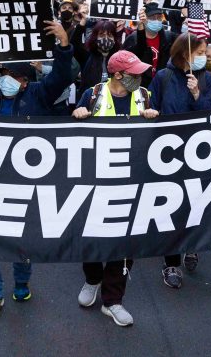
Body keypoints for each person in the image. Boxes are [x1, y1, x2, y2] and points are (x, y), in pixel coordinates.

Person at [0, 20, 73, 319]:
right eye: (4, 73)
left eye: (15, 76)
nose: (7, 79)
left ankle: (21, 281)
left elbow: (63, 76)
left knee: (22, 239)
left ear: (27, 82)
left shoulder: (40, 95)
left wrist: (64, 45)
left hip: (26, 181)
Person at [72, 50, 159, 327]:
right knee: (92, 235)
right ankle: (92, 279)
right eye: (135, 74)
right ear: (118, 75)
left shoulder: (144, 96)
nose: (141, 77)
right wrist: (77, 114)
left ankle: (113, 300)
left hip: (133, 181)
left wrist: (154, 119)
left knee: (124, 242)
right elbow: (70, 133)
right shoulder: (93, 94)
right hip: (95, 180)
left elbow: (161, 137)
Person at [149, 32, 211, 288]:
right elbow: (153, 107)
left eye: (204, 53)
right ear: (183, 54)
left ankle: (192, 244)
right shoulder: (163, 77)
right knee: (171, 208)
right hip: (168, 153)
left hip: (198, 153)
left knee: (194, 204)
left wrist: (198, 95)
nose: (204, 58)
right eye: (199, 53)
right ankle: (171, 263)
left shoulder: (208, 79)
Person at [124, 3, 176, 87]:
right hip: (139, 84)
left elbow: (189, 42)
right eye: (152, 18)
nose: (156, 20)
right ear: (144, 18)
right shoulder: (133, 39)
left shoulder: (169, 37)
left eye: (159, 17)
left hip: (161, 84)